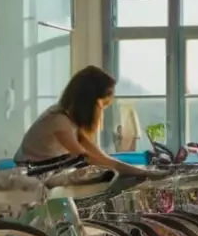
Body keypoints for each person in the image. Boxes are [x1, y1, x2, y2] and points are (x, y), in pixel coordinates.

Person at [14, 65, 154, 177]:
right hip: (29, 177)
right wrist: (141, 172)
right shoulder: (59, 121)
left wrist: (142, 172)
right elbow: (86, 159)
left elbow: (101, 157)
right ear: (89, 102)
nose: (101, 112)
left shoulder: (69, 121)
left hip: (41, 173)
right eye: (102, 106)